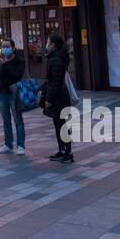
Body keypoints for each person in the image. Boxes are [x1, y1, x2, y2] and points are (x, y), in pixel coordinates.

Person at [0, 38, 27, 154]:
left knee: (18, 119)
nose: (5, 49)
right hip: (1, 93)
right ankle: (8, 144)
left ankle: (21, 145)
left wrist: (7, 65)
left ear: (13, 48)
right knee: (6, 120)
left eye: (7, 46)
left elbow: (17, 76)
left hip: (14, 94)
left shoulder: (20, 60)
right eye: (3, 46)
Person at [42, 34, 74, 163]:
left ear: (53, 45)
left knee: (60, 125)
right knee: (59, 124)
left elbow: (55, 82)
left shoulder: (56, 60)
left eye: (48, 42)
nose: (47, 44)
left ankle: (67, 152)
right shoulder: (57, 57)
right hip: (60, 96)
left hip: (58, 98)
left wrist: (49, 99)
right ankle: (63, 151)